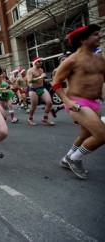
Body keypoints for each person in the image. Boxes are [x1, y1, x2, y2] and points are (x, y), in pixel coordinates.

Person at [52, 24, 105, 179]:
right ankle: (73, 159)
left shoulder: (99, 58)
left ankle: (65, 158)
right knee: (102, 135)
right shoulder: (72, 60)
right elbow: (56, 83)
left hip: (95, 102)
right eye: (96, 34)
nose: (100, 36)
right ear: (83, 39)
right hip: (78, 103)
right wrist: (67, 102)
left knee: (85, 135)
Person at [25, 57, 55, 126]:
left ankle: (45, 118)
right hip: (33, 90)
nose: (41, 63)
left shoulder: (41, 70)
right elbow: (29, 80)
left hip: (41, 88)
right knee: (34, 106)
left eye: (41, 61)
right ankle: (30, 118)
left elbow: (43, 80)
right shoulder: (30, 70)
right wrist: (40, 77)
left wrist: (51, 80)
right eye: (39, 61)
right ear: (35, 62)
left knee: (49, 103)